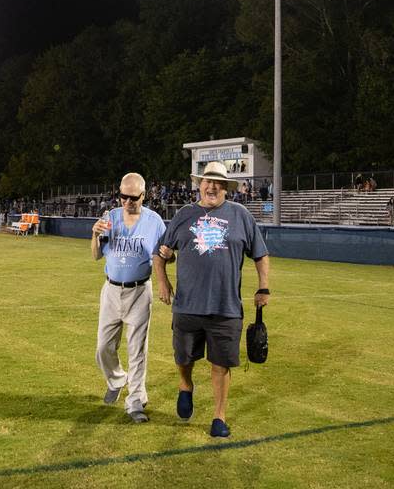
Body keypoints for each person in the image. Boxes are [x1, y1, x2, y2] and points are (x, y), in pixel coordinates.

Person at [152, 160, 269, 439]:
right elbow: (161, 254)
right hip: (188, 305)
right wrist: (163, 281)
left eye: (218, 182)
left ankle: (219, 417)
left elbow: (261, 255)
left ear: (226, 188)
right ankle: (185, 385)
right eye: (207, 181)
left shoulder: (241, 215)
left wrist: (264, 287)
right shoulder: (184, 215)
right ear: (199, 185)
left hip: (225, 307)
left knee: (221, 364)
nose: (212, 186)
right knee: (183, 357)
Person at [91, 172, 166, 424]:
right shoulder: (109, 217)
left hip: (139, 291)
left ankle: (135, 402)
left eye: (132, 197)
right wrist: (94, 235)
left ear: (143, 196)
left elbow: (165, 254)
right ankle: (117, 379)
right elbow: (95, 255)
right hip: (111, 290)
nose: (127, 201)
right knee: (103, 347)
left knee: (137, 350)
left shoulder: (154, 221)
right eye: (122, 196)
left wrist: (168, 255)